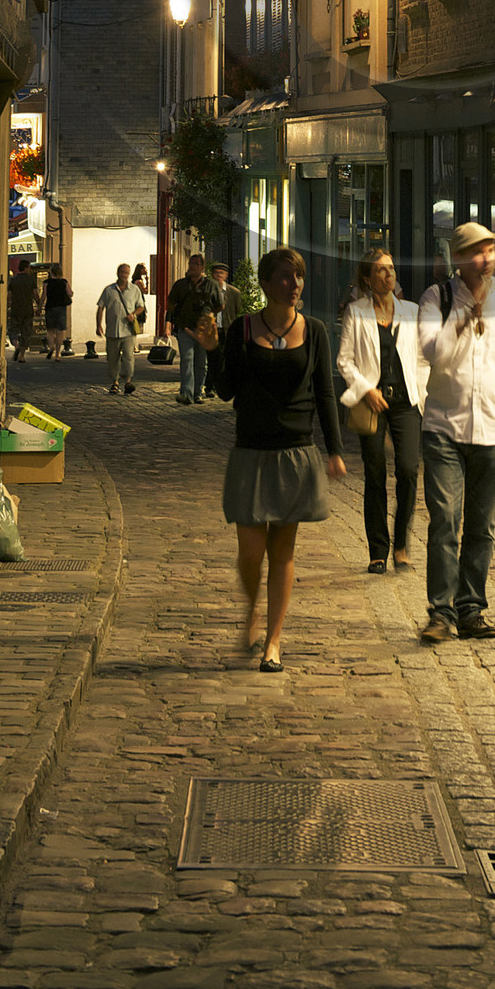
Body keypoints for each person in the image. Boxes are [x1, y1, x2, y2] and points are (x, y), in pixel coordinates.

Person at [198, 246, 345, 671]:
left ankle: (274, 642)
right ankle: (252, 611)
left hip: (295, 451)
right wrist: (212, 349)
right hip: (251, 450)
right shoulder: (242, 330)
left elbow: (324, 393)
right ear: (264, 283)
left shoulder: (314, 330)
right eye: (284, 277)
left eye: (298, 277)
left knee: (283, 551)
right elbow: (225, 390)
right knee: (250, 551)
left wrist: (334, 449)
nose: (294, 285)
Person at [416, 221, 495, 645]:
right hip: (444, 428)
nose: (486, 258)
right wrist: (462, 320)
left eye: (490, 249)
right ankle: (440, 612)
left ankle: (470, 608)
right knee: (444, 521)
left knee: (482, 525)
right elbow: (430, 352)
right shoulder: (436, 299)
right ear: (458, 258)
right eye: (476, 251)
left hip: (493, 427)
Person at [338, 252, 425, 574]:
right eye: (380, 271)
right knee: (374, 474)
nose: (387, 275)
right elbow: (344, 360)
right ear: (367, 279)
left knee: (408, 470)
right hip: (372, 402)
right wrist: (366, 390)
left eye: (390, 269)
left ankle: (401, 544)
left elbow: (422, 360)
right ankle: (378, 551)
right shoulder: (356, 313)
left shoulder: (411, 312)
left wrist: (422, 398)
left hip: (406, 403)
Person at [168, 251, 223, 404]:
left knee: (201, 363)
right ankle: (186, 393)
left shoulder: (210, 285)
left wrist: (209, 314)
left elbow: (220, 305)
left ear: (202, 267)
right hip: (186, 328)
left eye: (196, 264)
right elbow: (171, 303)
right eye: (191, 263)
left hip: (204, 329)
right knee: (186, 359)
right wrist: (176, 318)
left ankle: (198, 392)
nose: (193, 267)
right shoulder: (181, 285)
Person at [96, 263, 144, 394]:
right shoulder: (109, 290)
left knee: (129, 357)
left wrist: (133, 314)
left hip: (128, 330)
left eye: (126, 273)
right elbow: (100, 307)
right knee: (113, 358)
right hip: (112, 330)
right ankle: (115, 382)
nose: (124, 275)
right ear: (117, 273)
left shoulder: (134, 289)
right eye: (122, 272)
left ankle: (128, 381)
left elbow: (141, 306)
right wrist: (98, 324)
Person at [204, 262, 240, 396]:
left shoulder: (234, 293)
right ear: (212, 275)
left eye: (221, 273)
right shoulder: (205, 291)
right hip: (211, 330)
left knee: (225, 359)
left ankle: (223, 385)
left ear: (226, 275)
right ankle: (209, 387)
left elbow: (236, 311)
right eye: (216, 273)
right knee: (212, 359)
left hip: (226, 330)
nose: (218, 276)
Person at [9, 261, 37, 363]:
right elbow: (35, 294)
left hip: (16, 309)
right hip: (27, 309)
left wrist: (9, 305)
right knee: (26, 332)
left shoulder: (13, 280)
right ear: (26, 268)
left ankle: (16, 345)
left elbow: (9, 295)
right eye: (29, 268)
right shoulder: (31, 280)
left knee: (13, 329)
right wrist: (39, 305)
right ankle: (22, 356)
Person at [43, 266, 72, 358]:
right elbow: (70, 293)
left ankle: (51, 346)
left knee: (50, 330)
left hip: (50, 307)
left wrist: (40, 307)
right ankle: (57, 355)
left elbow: (44, 295)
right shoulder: (64, 282)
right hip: (61, 308)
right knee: (60, 332)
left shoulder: (46, 283)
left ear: (51, 272)